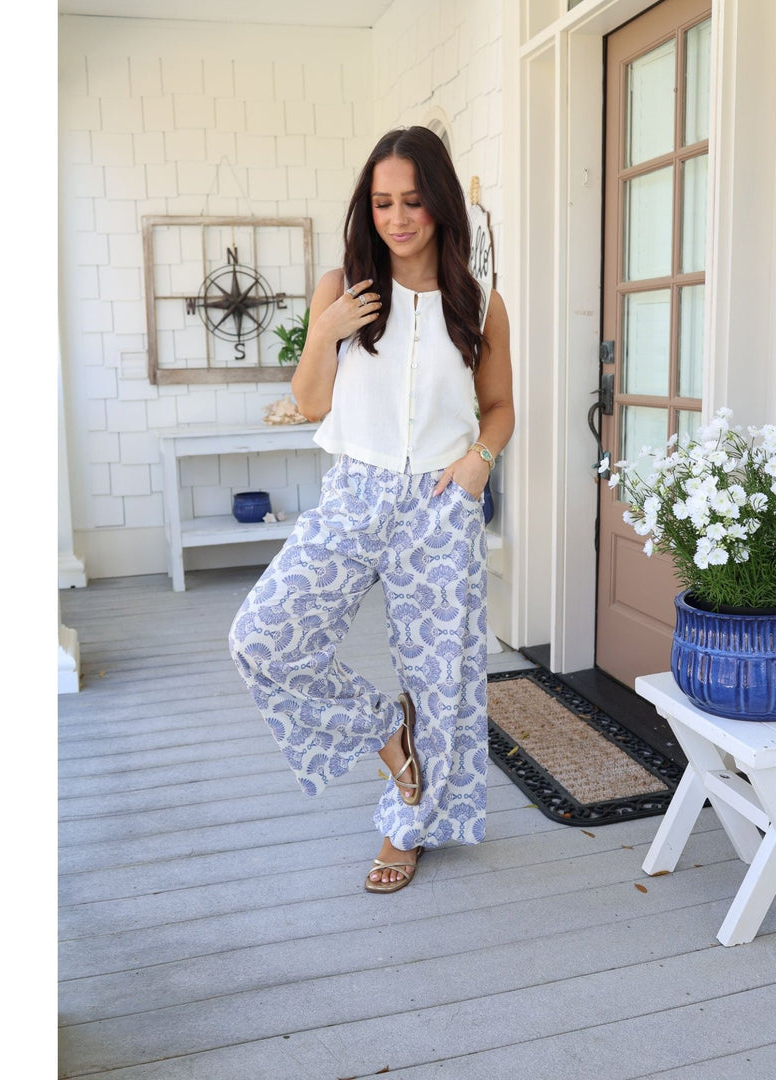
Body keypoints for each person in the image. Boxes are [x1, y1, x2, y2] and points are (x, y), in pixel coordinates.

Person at [228, 126, 514, 894]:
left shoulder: (481, 304)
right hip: (355, 495)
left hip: (439, 504)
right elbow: (310, 400)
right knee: (262, 637)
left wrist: (474, 467)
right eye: (383, 201)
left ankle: (405, 826)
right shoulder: (343, 288)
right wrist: (325, 330)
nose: (397, 217)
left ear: (441, 205)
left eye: (413, 201)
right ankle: (387, 732)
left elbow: (499, 408)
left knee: (441, 679)